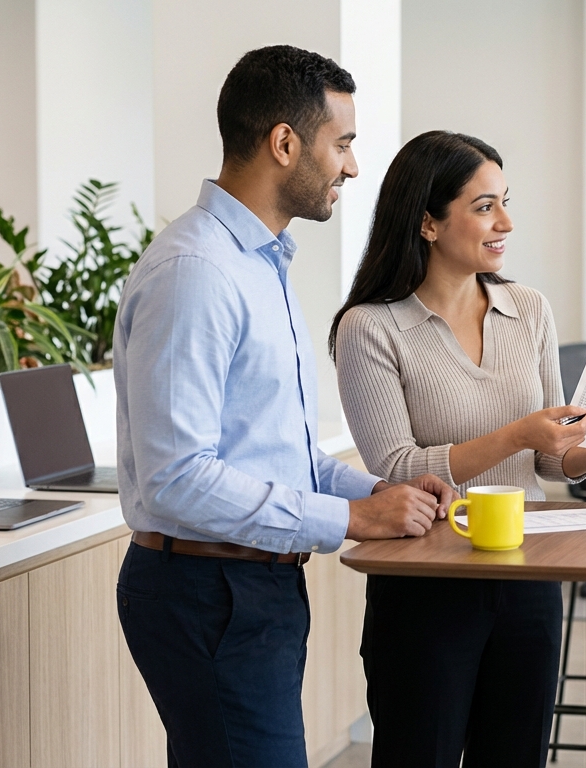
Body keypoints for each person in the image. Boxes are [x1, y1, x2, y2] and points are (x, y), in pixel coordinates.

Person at [112, 47, 456, 767]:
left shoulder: (258, 264)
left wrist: (379, 492)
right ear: (284, 142)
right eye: (344, 145)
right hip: (209, 590)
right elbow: (177, 478)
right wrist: (354, 519)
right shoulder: (197, 273)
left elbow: (280, 457)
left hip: (249, 586)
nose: (352, 168)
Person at [331, 130, 586, 768]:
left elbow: (549, 460)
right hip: (425, 580)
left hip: (525, 573)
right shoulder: (369, 327)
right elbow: (395, 471)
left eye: (505, 201)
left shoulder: (528, 309)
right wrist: (517, 434)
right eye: (483, 206)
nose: (505, 221)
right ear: (426, 221)